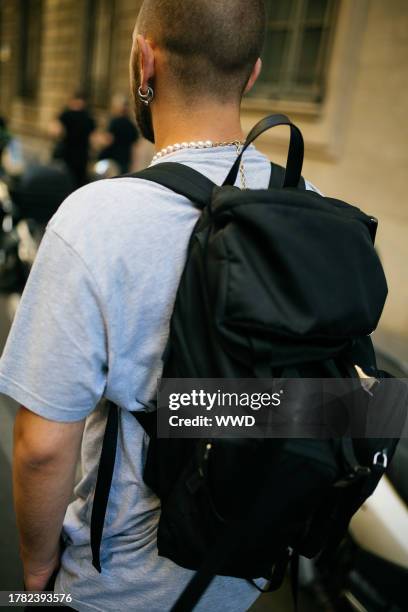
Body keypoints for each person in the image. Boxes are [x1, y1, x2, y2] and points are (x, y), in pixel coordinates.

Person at [0, 1, 320, 610]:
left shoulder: (96, 218)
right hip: (243, 571)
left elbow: (42, 447)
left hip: (116, 584)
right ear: (251, 75)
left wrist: (38, 571)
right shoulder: (309, 203)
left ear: (145, 60)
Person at [52, 93, 96, 188]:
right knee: (79, 182)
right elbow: (93, 139)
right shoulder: (88, 116)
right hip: (82, 155)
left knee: (65, 181)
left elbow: (55, 131)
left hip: (67, 153)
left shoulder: (66, 114)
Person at [98, 95, 140, 174]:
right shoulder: (131, 125)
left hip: (112, 157)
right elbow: (135, 147)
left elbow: (109, 139)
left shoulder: (114, 122)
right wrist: (134, 164)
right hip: (125, 158)